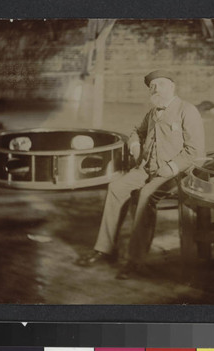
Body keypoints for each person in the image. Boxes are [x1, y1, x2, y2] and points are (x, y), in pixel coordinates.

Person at [76, 70, 205, 279]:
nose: (156, 89)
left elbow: (195, 151)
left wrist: (171, 167)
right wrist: (135, 143)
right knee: (116, 188)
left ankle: (135, 260)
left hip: (176, 172)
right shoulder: (153, 112)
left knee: (146, 196)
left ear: (172, 87)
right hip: (146, 168)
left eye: (161, 84)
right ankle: (105, 248)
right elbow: (138, 130)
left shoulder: (187, 110)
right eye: (152, 86)